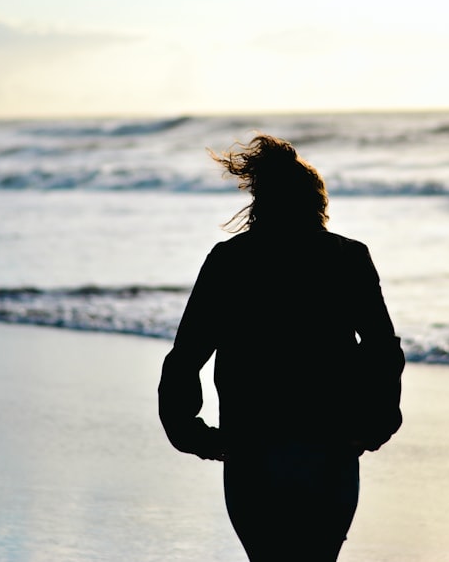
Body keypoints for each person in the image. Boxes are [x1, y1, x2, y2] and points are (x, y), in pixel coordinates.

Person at [158, 133, 405, 562]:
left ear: (259, 201)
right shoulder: (348, 257)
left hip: (251, 446)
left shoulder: (229, 260)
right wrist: (374, 425)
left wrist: (191, 433)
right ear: (316, 201)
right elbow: (383, 351)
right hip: (330, 446)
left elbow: (187, 355)